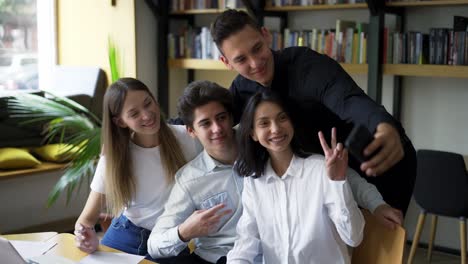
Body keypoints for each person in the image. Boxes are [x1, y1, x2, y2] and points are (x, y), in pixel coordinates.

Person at [211, 9, 417, 215]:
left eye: (257, 48)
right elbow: (211, 119)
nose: (255, 63)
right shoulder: (241, 88)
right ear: (226, 63)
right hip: (327, 173)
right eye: (241, 59)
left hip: (380, 156)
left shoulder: (308, 66)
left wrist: (383, 125)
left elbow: (349, 100)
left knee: (379, 242)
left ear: (266, 35)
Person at [228, 90, 365, 264]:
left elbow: (354, 237)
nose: (276, 129)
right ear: (253, 134)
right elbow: (246, 240)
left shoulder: (320, 169)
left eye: (282, 118)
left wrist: (338, 183)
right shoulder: (254, 180)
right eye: (264, 123)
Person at [74, 78, 200, 262]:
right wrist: (85, 238)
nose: (147, 115)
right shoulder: (114, 156)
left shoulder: (188, 137)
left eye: (148, 103)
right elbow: (86, 220)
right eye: (134, 113)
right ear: (120, 122)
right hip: (127, 235)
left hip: (170, 240)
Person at [147, 80, 241, 264]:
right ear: (191, 131)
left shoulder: (261, 148)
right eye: (206, 123)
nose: (217, 128)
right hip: (215, 258)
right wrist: (185, 232)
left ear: (231, 118)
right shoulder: (189, 180)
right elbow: (154, 245)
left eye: (221, 117)